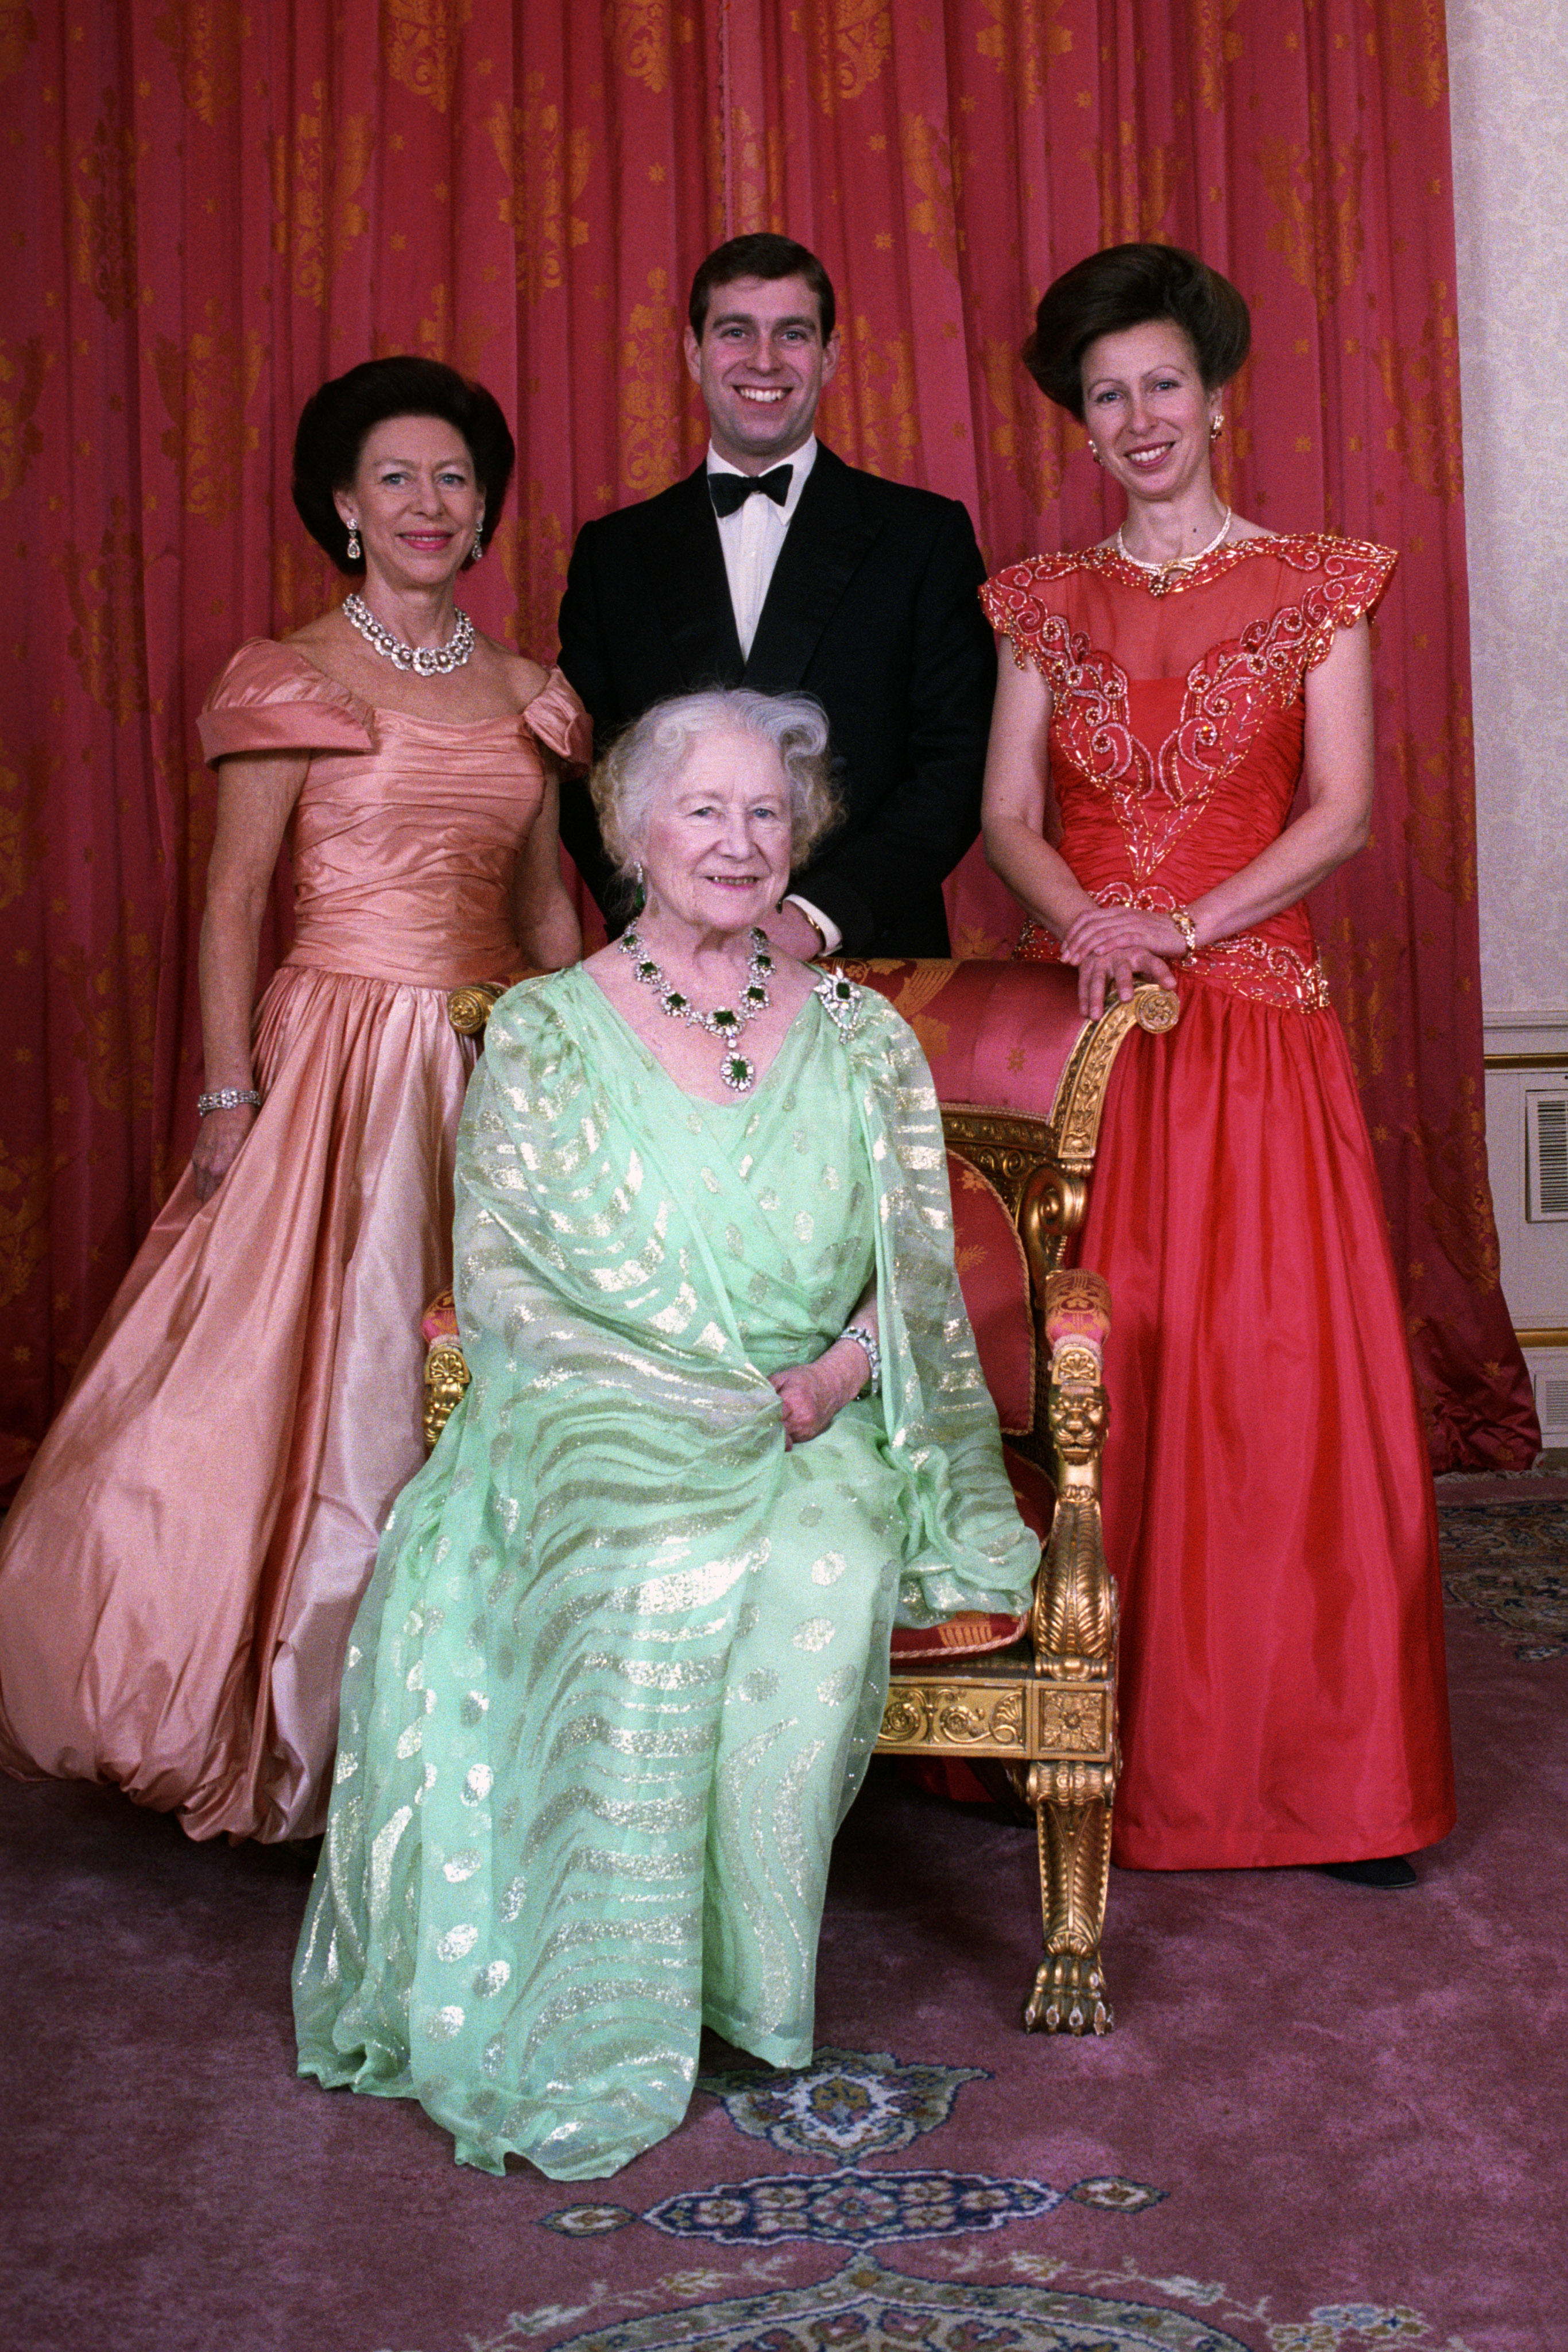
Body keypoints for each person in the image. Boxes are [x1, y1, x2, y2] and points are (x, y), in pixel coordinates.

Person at [292, 688, 1037, 2180]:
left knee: (813, 1581)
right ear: (633, 830)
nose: (738, 840)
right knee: (622, 1568)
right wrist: (676, 1403)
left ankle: (743, 1988)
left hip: (807, 1422)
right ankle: (595, 1975)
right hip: (595, 1413)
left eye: (769, 813)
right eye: (703, 808)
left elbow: (913, 1283)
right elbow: (504, 1290)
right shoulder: (553, 1035)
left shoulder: (863, 1037)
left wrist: (825, 1384)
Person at [0, 357, 589, 1844]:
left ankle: (495, 1714)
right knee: (321, 1374)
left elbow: (547, 914)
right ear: (342, 505)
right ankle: (300, 1723)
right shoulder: (288, 675)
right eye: (395, 477)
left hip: (495, 1059)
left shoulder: (535, 694)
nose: (428, 502)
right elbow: (230, 902)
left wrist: (593, 1079)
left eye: (453, 477)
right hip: (334, 1054)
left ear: (485, 506)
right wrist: (225, 1091)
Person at [979, 244, 1455, 1886]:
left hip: (1250, 1023)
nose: (1137, 417)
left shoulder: (1319, 579)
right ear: (1080, 421)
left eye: (1161, 383)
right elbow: (1005, 819)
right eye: (1105, 395)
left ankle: (1314, 1773)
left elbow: (1340, 814)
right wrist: (1093, 931)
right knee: (1111, 1379)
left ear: (1216, 393)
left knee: (1270, 1387)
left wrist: (1171, 922)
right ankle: (1085, 1743)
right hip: (1093, 1036)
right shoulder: (1039, 599)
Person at [555, 232, 995, 960]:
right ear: (694, 353)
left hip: (866, 954)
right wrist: (654, 915)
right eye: (736, 332)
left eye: (792, 333)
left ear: (829, 357)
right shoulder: (616, 552)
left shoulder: (923, 537)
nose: (764, 360)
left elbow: (958, 761)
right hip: (667, 959)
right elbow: (584, 770)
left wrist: (815, 917)